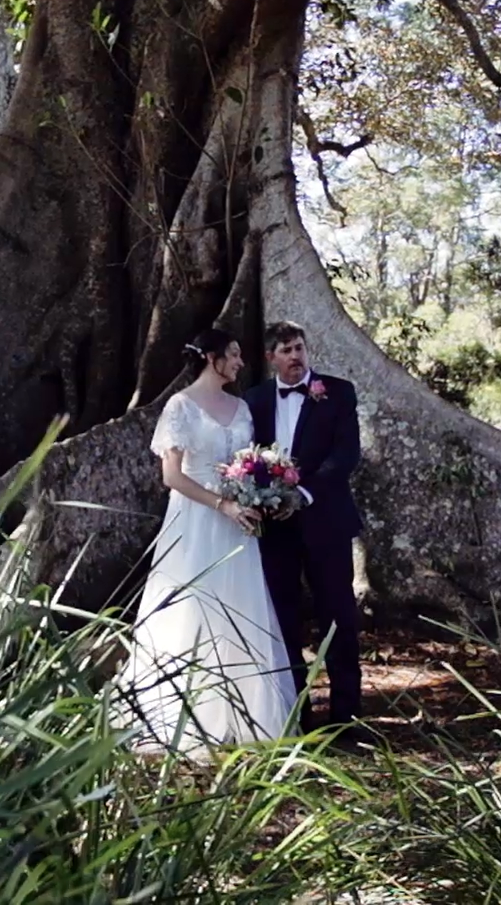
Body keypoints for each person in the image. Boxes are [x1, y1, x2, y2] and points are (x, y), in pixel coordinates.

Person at [110, 329, 297, 760]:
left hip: (238, 523)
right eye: (232, 355)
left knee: (239, 607)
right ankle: (182, 717)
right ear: (211, 358)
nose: (239, 362)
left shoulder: (243, 407)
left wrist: (257, 491)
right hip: (196, 519)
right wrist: (222, 504)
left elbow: (246, 464)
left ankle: (244, 716)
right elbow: (172, 476)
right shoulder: (180, 406)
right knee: (193, 607)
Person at [243, 321, 368, 745]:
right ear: (270, 358)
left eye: (299, 347)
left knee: (339, 618)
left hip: (326, 522)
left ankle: (347, 719)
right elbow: (245, 460)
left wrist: (306, 494)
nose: (295, 356)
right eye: (285, 350)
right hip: (274, 529)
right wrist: (262, 498)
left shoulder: (338, 391)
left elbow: (346, 454)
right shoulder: (254, 400)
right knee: (283, 620)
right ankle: (296, 716)